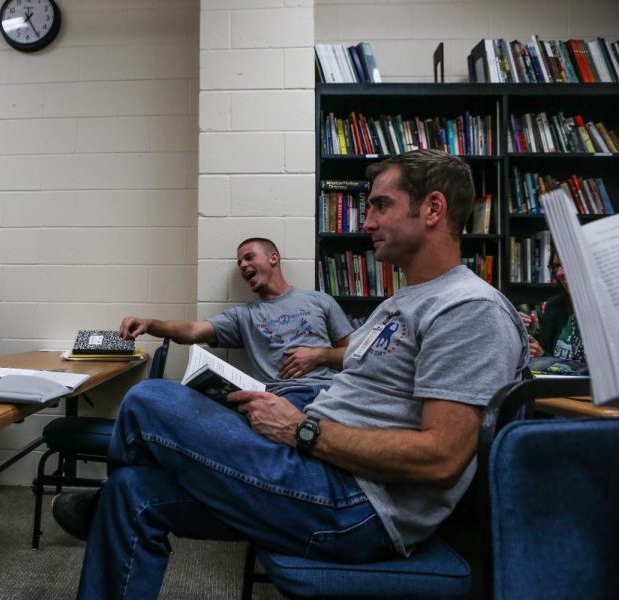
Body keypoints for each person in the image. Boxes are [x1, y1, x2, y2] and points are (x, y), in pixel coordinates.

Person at [57, 149, 529, 600]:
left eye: (382, 206)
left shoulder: (468, 309)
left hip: (358, 506)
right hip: (316, 464)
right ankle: (107, 505)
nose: (367, 222)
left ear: (433, 208)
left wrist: (301, 429)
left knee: (148, 401)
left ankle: (102, 500)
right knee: (130, 492)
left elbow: (441, 458)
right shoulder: (401, 303)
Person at [119, 237, 354, 410]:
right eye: (239, 262)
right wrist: (150, 324)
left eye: (249, 257)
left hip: (331, 391)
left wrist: (319, 355)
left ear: (273, 258)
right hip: (283, 398)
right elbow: (192, 331)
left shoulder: (319, 300)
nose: (242, 265)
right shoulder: (244, 316)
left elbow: (355, 356)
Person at [522, 249, 584, 362]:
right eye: (556, 266)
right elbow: (544, 353)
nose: (559, 273)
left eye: (566, 264)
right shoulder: (554, 306)